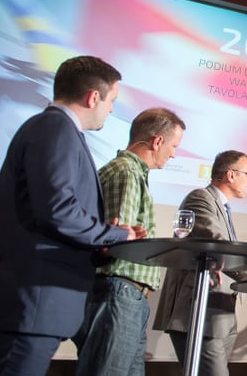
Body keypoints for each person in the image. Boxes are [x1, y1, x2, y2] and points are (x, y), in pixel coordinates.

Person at [0, 55, 143, 376]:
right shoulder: (54, 129)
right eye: (112, 100)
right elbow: (57, 211)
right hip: (25, 306)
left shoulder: (57, 130)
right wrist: (118, 235)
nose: (112, 109)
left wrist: (99, 243)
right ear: (93, 97)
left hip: (30, 307)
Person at [74, 107, 187, 376]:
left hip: (127, 294)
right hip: (119, 290)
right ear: (157, 141)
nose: (173, 154)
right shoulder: (126, 172)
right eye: (173, 146)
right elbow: (116, 239)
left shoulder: (130, 172)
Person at [152, 150, 247, 376]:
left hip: (221, 315)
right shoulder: (200, 198)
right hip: (197, 310)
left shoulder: (222, 206)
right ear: (231, 175)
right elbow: (217, 244)